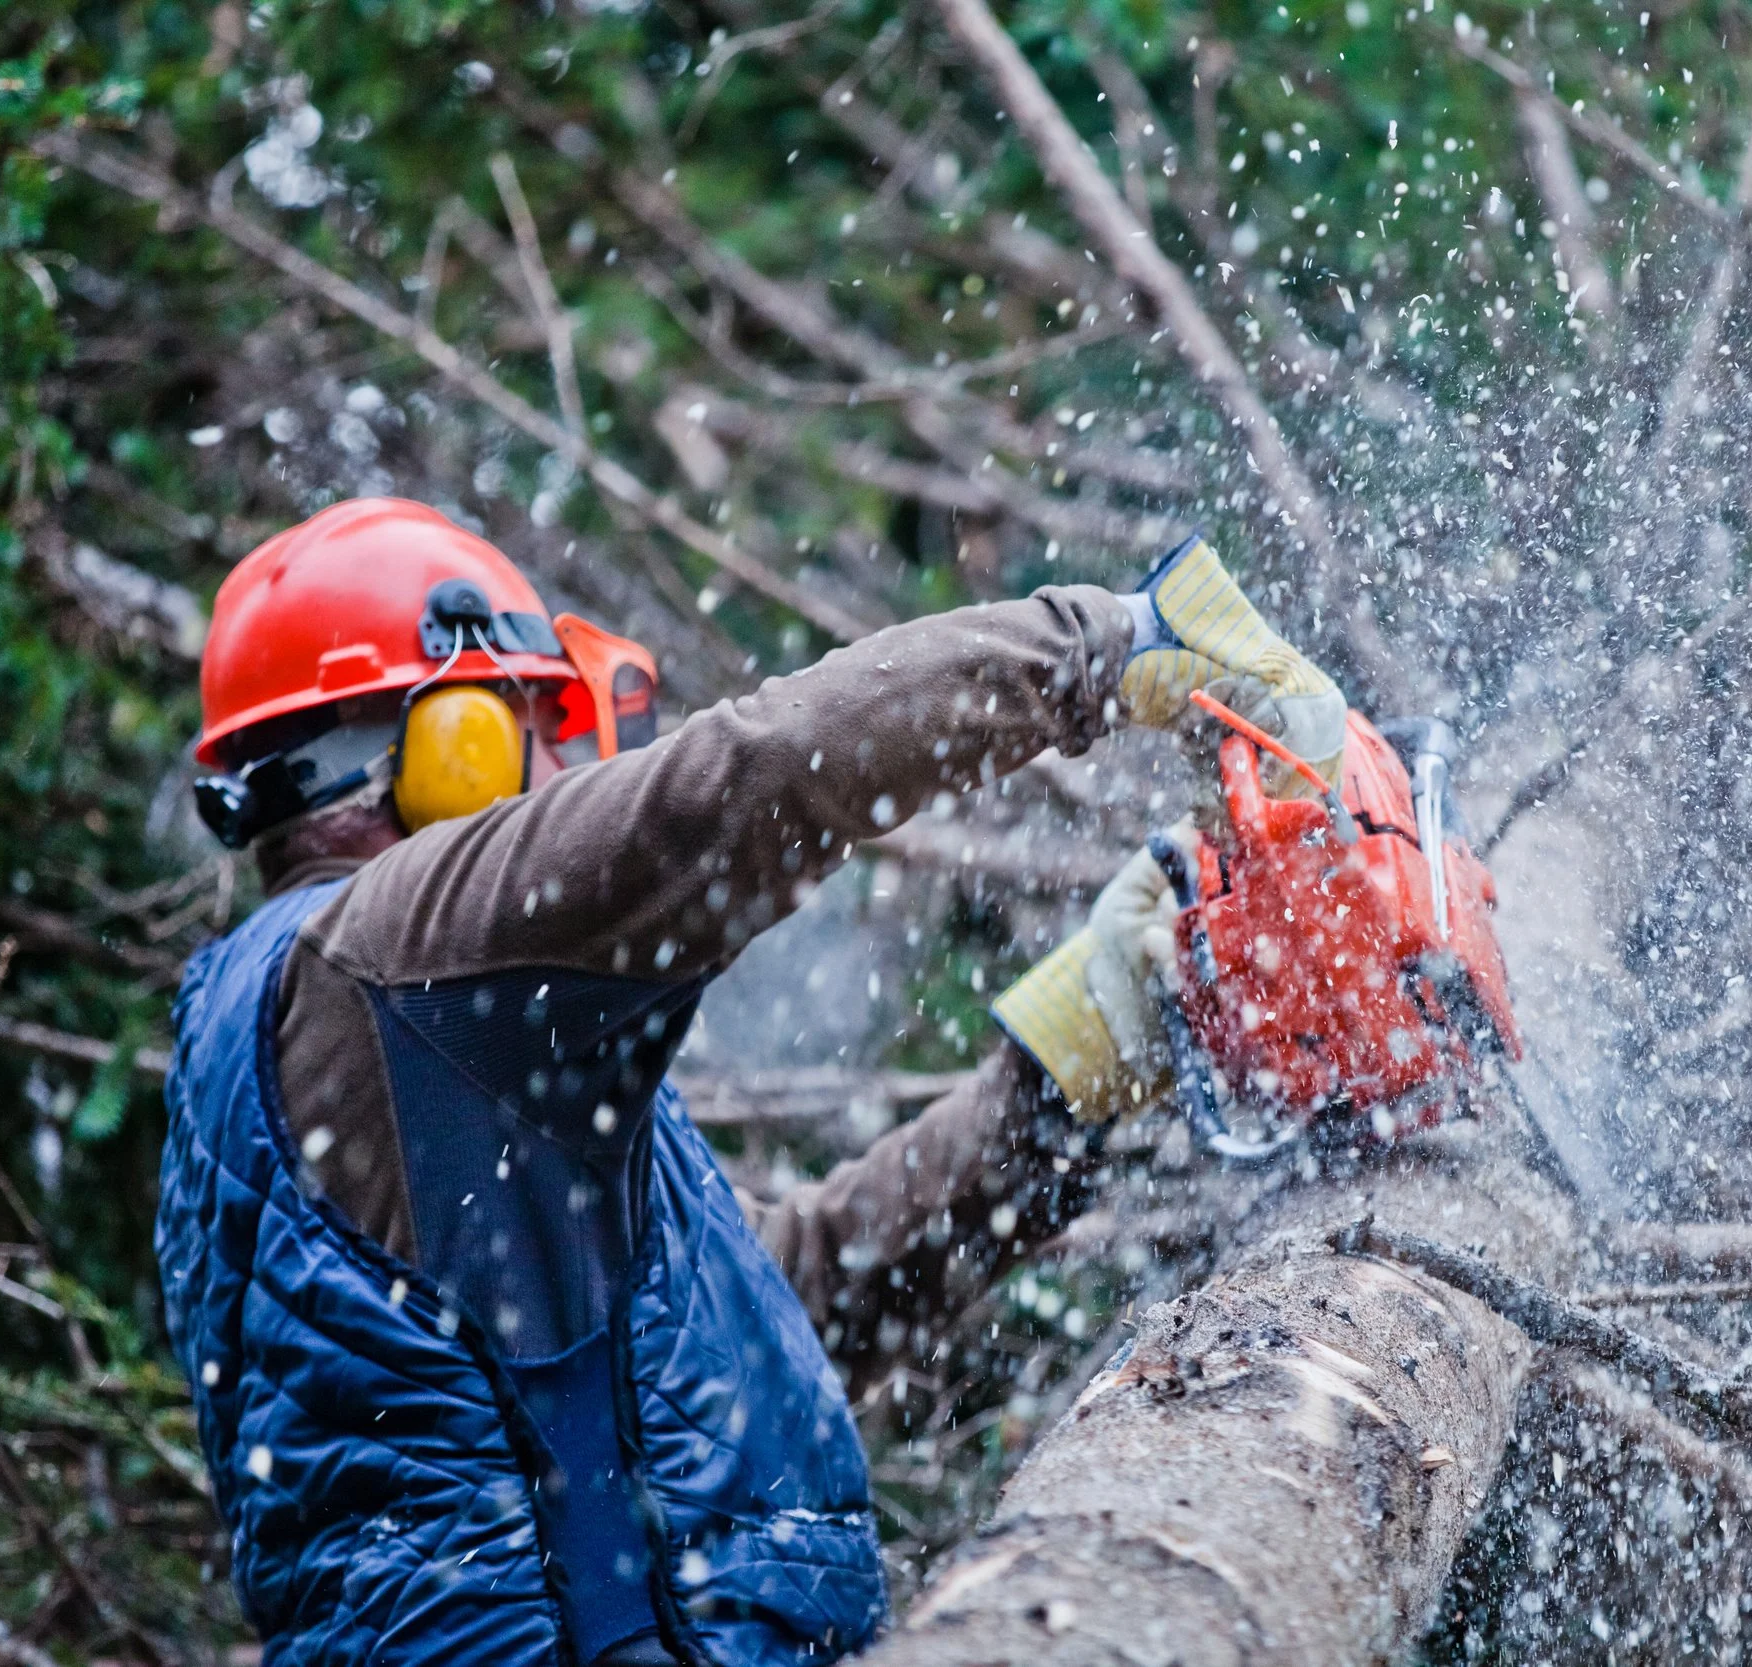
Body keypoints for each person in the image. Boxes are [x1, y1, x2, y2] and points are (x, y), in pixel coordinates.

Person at [156, 498, 1342, 1667]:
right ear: (444, 742)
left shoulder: (391, 1041)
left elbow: (778, 1313)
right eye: (528, 720)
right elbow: (742, 783)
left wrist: (1065, 1069)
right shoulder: (396, 956)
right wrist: (1109, 644)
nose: (560, 764)